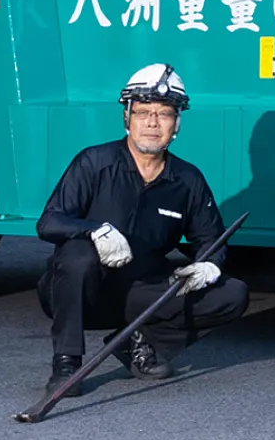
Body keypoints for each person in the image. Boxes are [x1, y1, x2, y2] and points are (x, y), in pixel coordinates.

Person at [35, 65, 247, 396]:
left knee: (233, 294)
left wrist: (208, 265)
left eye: (164, 114)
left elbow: (211, 240)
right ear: (127, 117)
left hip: (143, 293)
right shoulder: (93, 163)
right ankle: (67, 362)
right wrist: (94, 231)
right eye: (143, 112)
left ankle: (141, 342)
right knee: (77, 255)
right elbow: (49, 222)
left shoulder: (187, 180)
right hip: (81, 292)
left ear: (177, 123)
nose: (152, 122)